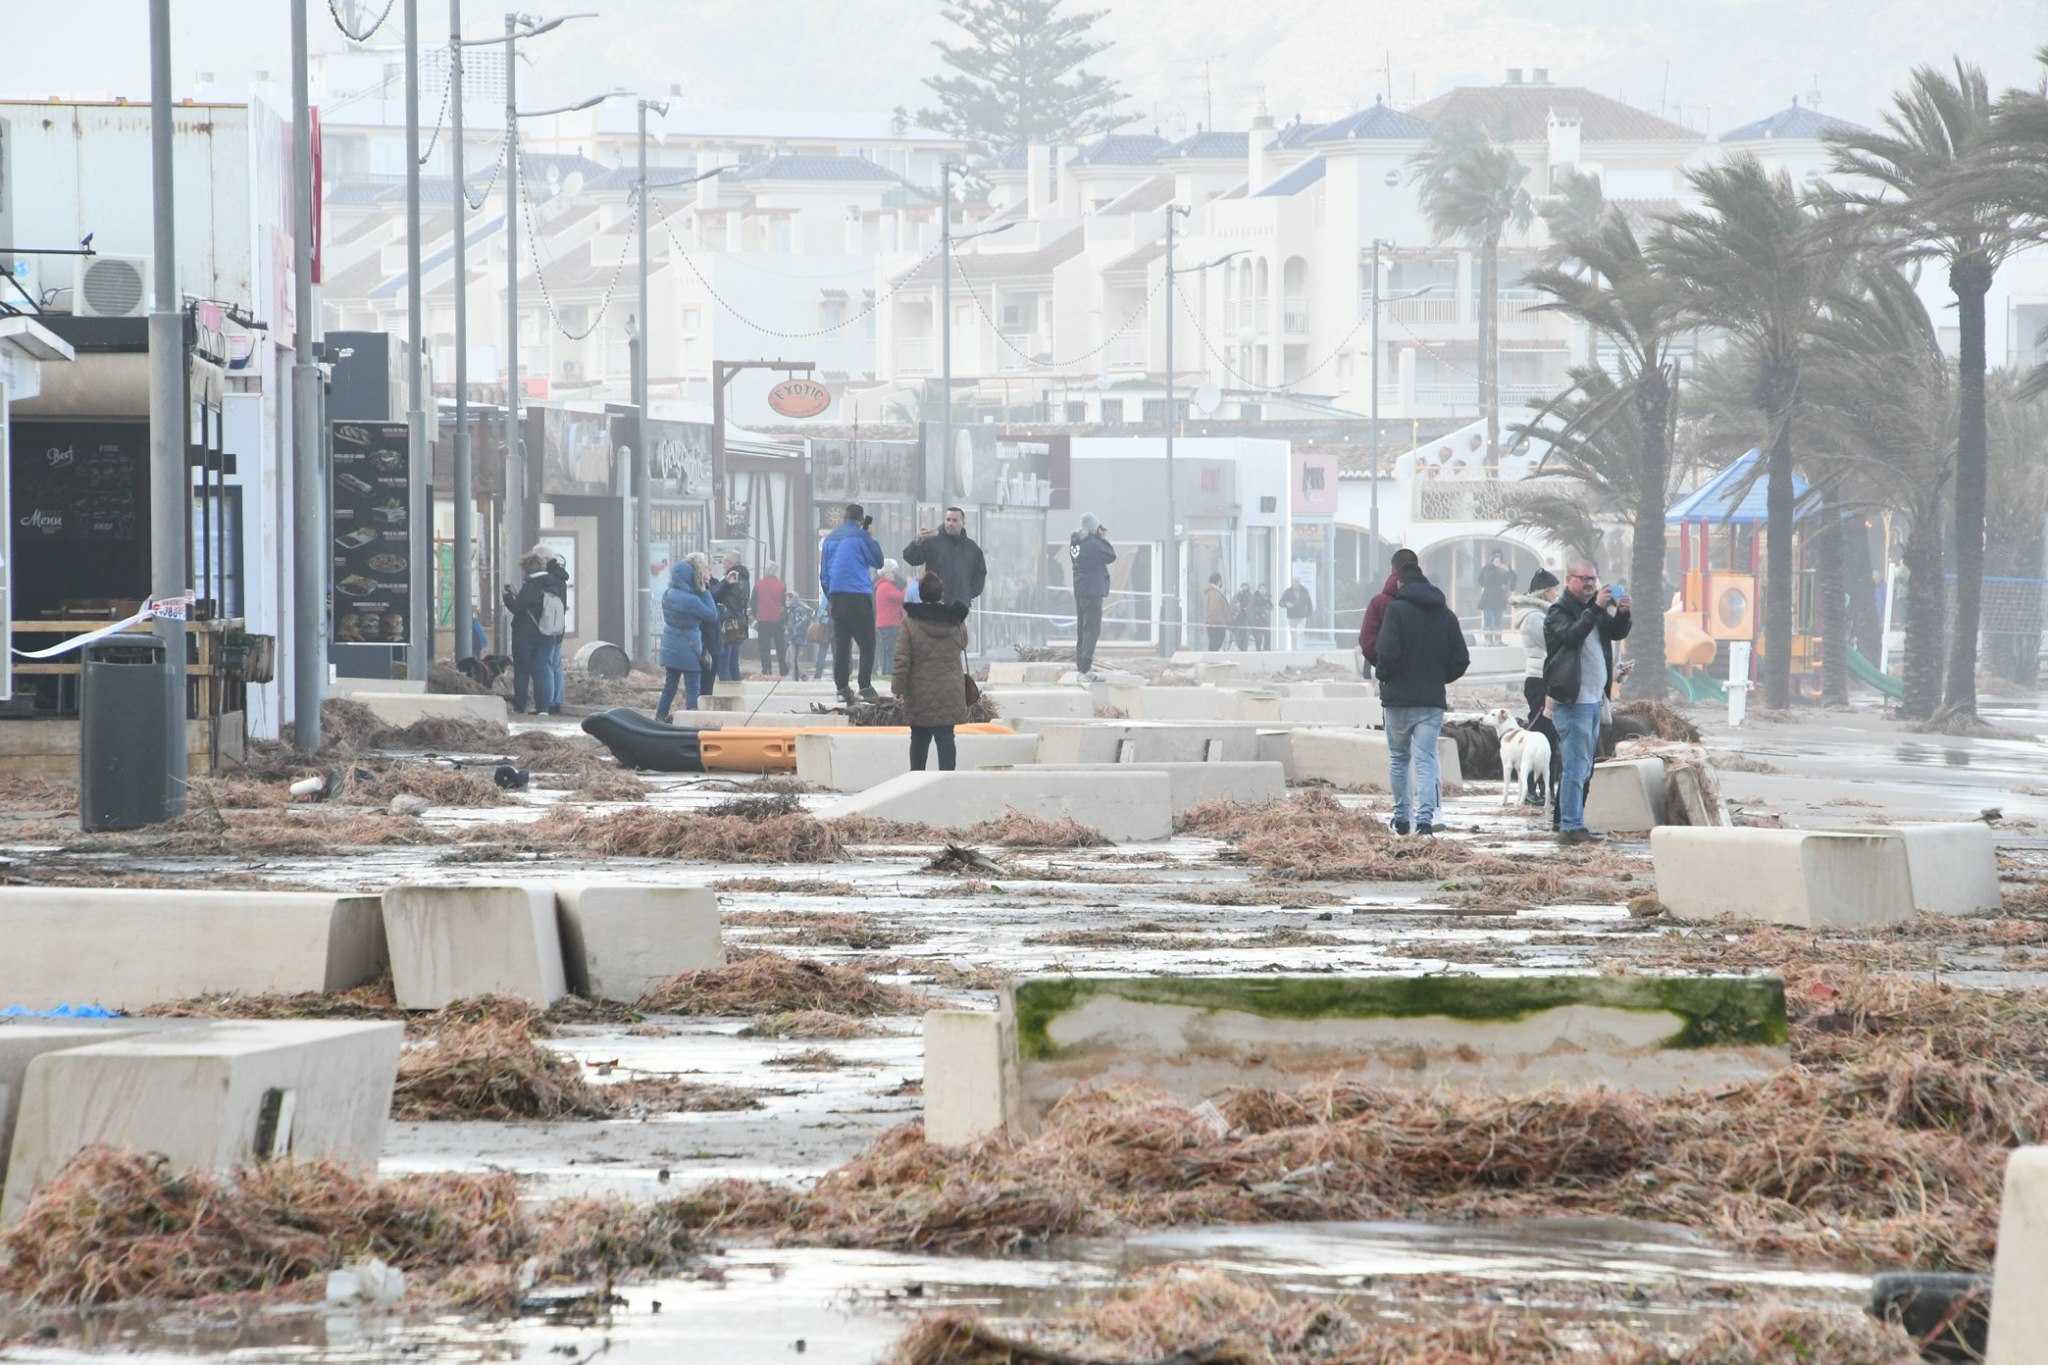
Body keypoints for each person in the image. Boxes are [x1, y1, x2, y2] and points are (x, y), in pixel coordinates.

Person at [1372, 558, 1470, 836]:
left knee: (1399, 758)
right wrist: (1439, 678)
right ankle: (1425, 820)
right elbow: (1461, 659)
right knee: (1426, 758)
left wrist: (1386, 676)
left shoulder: (1396, 611)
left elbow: (1386, 653)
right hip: (1431, 702)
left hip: (1398, 700)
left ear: (1400, 583)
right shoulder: (1447, 616)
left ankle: (1402, 819)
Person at [1544, 558, 1633, 845]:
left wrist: (1621, 613)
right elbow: (1571, 636)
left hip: (1594, 699)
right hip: (1573, 701)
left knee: (1585, 766)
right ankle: (1570, 826)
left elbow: (1615, 632)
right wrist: (1595, 608)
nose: (1589, 584)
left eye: (1593, 579)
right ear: (1568, 579)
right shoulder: (1560, 611)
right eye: (1583, 579)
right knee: (1575, 764)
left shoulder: (1590, 611)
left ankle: (1573, 822)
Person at [892, 569, 971, 772]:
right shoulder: (956, 620)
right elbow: (964, 644)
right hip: (950, 689)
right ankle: (947, 781)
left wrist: (898, 688)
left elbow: (902, 658)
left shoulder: (910, 623)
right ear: (941, 593)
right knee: (946, 737)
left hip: (920, 690)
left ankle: (916, 780)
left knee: (919, 737)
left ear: (920, 593)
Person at [1512, 569, 1565, 826]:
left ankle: (1546, 790)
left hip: (1546, 678)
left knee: (1549, 738)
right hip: (1540, 681)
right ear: (1546, 592)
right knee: (1540, 737)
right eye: (1555, 589)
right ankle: (1532, 789)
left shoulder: (1543, 615)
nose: (1558, 593)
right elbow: (1554, 645)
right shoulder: (1534, 618)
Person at [821, 502, 885, 704]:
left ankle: (841, 688)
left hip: (837, 597)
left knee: (841, 644)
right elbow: (878, 561)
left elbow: (824, 575)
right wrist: (870, 537)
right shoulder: (861, 535)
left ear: (844, 518)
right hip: (858, 596)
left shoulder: (830, 538)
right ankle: (864, 686)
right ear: (861, 519)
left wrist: (831, 598)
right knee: (868, 643)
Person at [656, 553, 719, 721]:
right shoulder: (692, 600)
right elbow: (713, 615)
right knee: (692, 686)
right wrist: (704, 590)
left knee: (670, 686)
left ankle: (659, 717)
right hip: (689, 648)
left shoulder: (667, 594)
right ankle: (691, 721)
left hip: (669, 645)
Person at [501, 554, 558, 716]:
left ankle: (520, 705)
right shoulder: (552, 584)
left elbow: (518, 608)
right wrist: (517, 593)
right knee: (542, 669)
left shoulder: (531, 586)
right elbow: (533, 605)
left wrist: (507, 597)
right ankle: (543, 708)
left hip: (525, 636)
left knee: (522, 670)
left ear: (527, 569)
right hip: (547, 634)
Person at [902, 506, 987, 608]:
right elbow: (911, 559)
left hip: (960, 606)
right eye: (948, 520)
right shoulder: (932, 541)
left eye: (955, 520)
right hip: (935, 604)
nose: (950, 523)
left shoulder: (972, 549)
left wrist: (968, 592)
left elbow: (980, 573)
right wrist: (917, 542)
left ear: (963, 523)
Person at [1358, 547, 1419, 674]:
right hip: (1431, 686)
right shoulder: (1435, 602)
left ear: (1392, 569)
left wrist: (1385, 669)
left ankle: (1367, 673)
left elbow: (1367, 642)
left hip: (1394, 684)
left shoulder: (1379, 603)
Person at [1069, 514, 1115, 676]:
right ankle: (1086, 669)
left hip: (1080, 591)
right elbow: (1111, 555)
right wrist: (1101, 538)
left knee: (1082, 630)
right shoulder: (1094, 544)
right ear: (1094, 529)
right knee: (1092, 630)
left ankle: (1081, 666)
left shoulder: (1075, 542)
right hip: (1093, 591)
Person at [712, 552, 751, 682]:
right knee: (734, 665)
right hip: (740, 623)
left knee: (724, 665)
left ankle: (728, 696)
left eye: (724, 561)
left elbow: (716, 595)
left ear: (731, 563)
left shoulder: (731, 578)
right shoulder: (745, 579)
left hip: (728, 624)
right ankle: (737, 692)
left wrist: (722, 584)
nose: (723, 564)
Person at [753, 562, 787, 676]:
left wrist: (755, 614)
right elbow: (784, 603)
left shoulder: (758, 584)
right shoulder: (781, 585)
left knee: (764, 647)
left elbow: (753, 602)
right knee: (780, 646)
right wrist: (785, 619)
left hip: (762, 619)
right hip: (777, 619)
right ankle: (783, 668)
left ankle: (767, 669)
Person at [874, 560, 907, 676]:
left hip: (884, 623)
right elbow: (902, 597)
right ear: (885, 573)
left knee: (886, 651)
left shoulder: (881, 586)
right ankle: (888, 674)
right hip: (890, 623)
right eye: (893, 572)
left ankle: (884, 673)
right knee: (891, 652)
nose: (895, 574)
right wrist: (907, 585)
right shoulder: (886, 586)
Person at [1477, 550, 1515, 645]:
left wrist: (1507, 572)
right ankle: (1488, 640)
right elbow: (1484, 580)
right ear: (1492, 560)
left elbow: (1506, 581)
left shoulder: (1503, 569)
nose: (1498, 562)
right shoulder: (1487, 568)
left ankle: (1498, 640)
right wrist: (1498, 572)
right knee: (1488, 620)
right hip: (1488, 598)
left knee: (1498, 620)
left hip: (1499, 598)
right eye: (1496, 560)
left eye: (1499, 560)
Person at [783, 591, 814, 681]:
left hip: (797, 639)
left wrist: (790, 630)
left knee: (793, 660)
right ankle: (803, 676)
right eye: (787, 599)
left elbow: (801, 624)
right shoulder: (792, 610)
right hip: (792, 638)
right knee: (788, 660)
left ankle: (795, 679)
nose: (787, 601)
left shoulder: (799, 610)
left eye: (789, 599)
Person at [1279, 576, 1314, 651]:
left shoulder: (1304, 591)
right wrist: (1286, 604)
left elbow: (1309, 603)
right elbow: (1280, 602)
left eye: (1297, 581)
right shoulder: (1287, 591)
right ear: (1291, 582)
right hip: (1291, 616)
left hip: (1302, 616)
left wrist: (1309, 614)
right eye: (1294, 581)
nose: (1295, 582)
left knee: (1300, 633)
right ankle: (1293, 649)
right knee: (1293, 634)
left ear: (1299, 582)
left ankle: (1300, 649)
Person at [1202, 573, 1233, 651]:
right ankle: (1211, 661)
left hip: (1215, 624)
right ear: (1219, 581)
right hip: (1217, 625)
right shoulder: (1215, 594)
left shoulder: (1212, 593)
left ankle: (1211, 661)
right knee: (1215, 646)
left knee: (1214, 646)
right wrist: (1223, 622)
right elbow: (1214, 610)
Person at [1251, 584, 1274, 651]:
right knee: (1258, 636)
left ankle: (1266, 648)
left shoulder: (1267, 598)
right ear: (1258, 589)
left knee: (1267, 635)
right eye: (1261, 589)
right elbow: (1252, 607)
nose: (1263, 590)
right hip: (1257, 619)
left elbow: (1271, 606)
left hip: (1265, 619)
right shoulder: (1255, 597)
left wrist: (1268, 608)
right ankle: (1258, 649)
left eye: (1264, 589)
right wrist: (1262, 610)